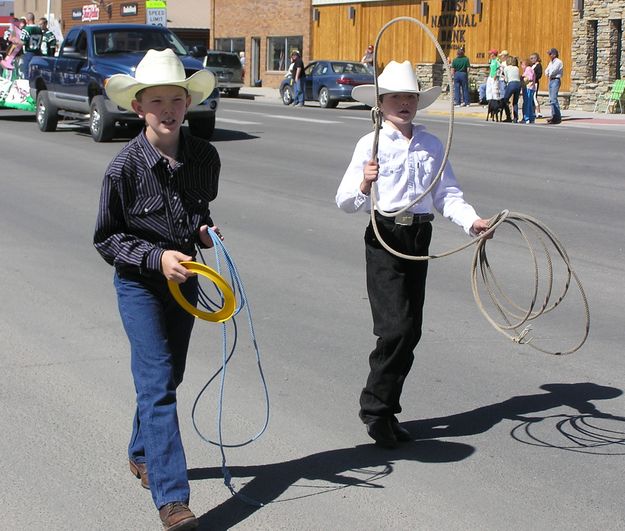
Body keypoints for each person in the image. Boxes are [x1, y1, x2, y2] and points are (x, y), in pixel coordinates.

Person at [335, 60, 493, 448]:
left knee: (412, 330)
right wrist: (363, 183)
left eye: (409, 97)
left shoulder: (431, 144)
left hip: (418, 237)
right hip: (385, 235)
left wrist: (471, 222)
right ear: (381, 102)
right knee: (396, 328)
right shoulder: (369, 144)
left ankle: (384, 408)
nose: (403, 103)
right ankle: (376, 410)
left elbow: (446, 194)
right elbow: (344, 201)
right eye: (395, 97)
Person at [93, 48, 220, 530]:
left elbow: (198, 212)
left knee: (168, 379)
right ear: (138, 107)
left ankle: (141, 451)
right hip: (140, 285)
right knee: (158, 385)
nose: (168, 109)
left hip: (184, 281)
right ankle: (172, 500)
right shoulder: (124, 168)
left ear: (188, 105)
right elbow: (107, 238)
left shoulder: (205, 157)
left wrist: (204, 232)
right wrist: (155, 257)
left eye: (177, 100)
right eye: (157, 101)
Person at [18, 12, 42, 79]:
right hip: (38, 52)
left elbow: (22, 42)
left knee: (27, 73)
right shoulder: (39, 29)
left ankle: (28, 88)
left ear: (27, 20)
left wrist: (15, 40)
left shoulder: (26, 29)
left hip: (29, 53)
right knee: (36, 73)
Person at [544, 47, 563, 124]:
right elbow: (547, 70)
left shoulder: (558, 62)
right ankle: (553, 115)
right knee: (551, 99)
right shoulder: (551, 62)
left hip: (555, 80)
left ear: (554, 54)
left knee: (554, 99)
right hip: (551, 80)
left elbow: (553, 71)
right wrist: (547, 73)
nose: (549, 55)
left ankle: (557, 117)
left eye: (550, 54)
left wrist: (549, 74)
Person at [502, 56, 521, 122]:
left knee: (505, 100)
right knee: (515, 102)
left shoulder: (506, 68)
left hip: (511, 83)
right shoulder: (516, 68)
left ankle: (508, 116)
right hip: (518, 84)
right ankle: (516, 118)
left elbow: (506, 79)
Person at [521, 57, 536, 124]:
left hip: (528, 87)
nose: (522, 66)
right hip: (531, 88)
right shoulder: (530, 69)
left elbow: (530, 78)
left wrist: (523, 78)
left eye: (522, 65)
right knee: (529, 103)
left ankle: (526, 117)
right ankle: (531, 117)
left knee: (527, 103)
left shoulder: (528, 69)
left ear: (526, 64)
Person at [530, 52, 543, 118]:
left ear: (536, 58)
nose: (531, 60)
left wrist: (534, 78)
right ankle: (533, 112)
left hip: (535, 83)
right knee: (531, 97)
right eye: (530, 58)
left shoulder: (538, 65)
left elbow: (539, 74)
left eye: (532, 58)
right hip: (531, 83)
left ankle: (539, 112)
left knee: (534, 96)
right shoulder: (532, 65)